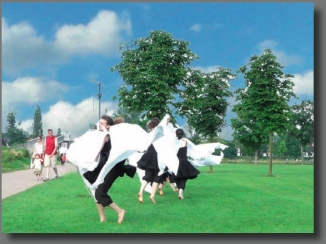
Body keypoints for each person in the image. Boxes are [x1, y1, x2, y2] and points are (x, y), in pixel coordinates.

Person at [137, 117, 169, 204]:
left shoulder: (150, 132)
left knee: (148, 176)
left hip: (150, 154)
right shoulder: (160, 131)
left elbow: (146, 143)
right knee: (157, 177)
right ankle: (152, 195)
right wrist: (167, 120)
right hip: (158, 154)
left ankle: (141, 191)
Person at [173, 128, 200, 200]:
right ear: (183, 134)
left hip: (175, 162)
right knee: (184, 178)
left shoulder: (174, 142)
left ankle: (180, 191)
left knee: (177, 177)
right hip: (184, 162)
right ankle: (181, 191)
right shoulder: (184, 141)